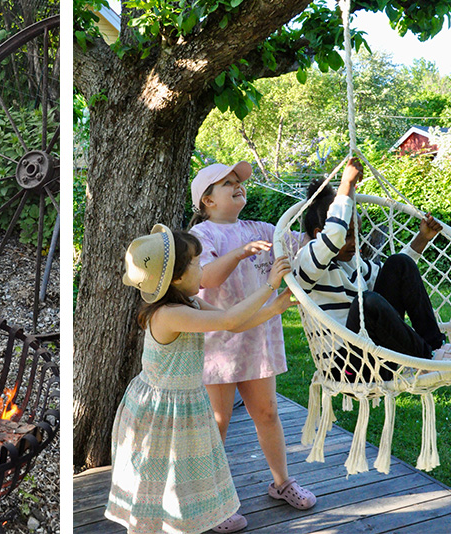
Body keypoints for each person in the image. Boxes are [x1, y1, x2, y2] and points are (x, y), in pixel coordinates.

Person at [107, 225, 296, 534]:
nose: (202, 268)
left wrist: (274, 307)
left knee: (184, 477)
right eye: (197, 262)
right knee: (157, 480)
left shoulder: (189, 304)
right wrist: (268, 286)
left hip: (181, 404)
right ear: (176, 277)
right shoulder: (168, 314)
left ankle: (190, 521)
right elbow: (228, 319)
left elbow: (234, 324)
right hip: (160, 410)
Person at [188, 162, 316, 511]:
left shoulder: (262, 228)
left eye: (239, 182)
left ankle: (282, 482)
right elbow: (207, 279)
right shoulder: (203, 236)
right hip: (219, 342)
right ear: (208, 201)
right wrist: (242, 251)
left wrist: (322, 212)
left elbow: (305, 246)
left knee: (267, 412)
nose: (238, 186)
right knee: (219, 421)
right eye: (227, 183)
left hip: (258, 337)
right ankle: (207, 498)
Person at [295, 158, 451, 379]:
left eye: (358, 234)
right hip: (347, 368)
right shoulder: (306, 262)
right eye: (349, 234)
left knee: (399, 263)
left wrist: (422, 239)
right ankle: (429, 359)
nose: (355, 242)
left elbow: (395, 277)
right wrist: (346, 185)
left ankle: (436, 349)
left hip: (378, 355)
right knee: (366, 301)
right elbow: (334, 235)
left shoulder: (353, 264)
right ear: (320, 233)